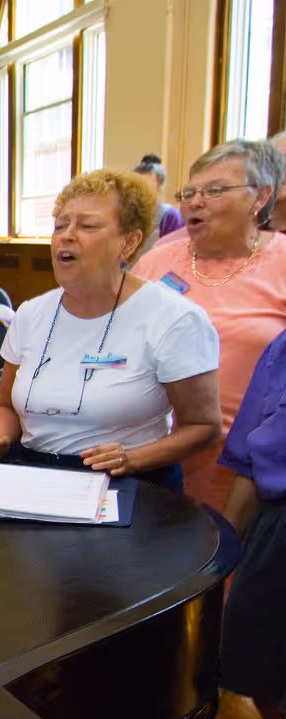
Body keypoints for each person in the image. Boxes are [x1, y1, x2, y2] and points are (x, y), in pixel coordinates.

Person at [0, 169, 222, 488]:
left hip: (130, 483)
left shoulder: (175, 318)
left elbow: (204, 427)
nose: (67, 235)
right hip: (35, 480)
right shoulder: (31, 314)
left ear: (129, 242)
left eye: (87, 226)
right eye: (60, 225)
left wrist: (133, 459)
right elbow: (5, 404)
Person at [133, 140, 286, 508]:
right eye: (189, 193)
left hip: (252, 474)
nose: (195, 202)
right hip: (149, 458)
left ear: (260, 196)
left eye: (214, 190)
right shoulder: (155, 263)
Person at [195, 330, 286, 719]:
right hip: (277, 525)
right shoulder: (282, 349)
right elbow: (252, 460)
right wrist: (221, 558)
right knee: (266, 680)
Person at [133, 153, 185, 248]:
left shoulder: (170, 215)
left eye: (147, 187)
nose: (140, 192)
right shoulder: (125, 213)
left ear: (159, 187)